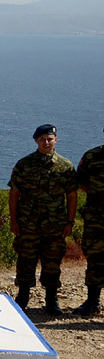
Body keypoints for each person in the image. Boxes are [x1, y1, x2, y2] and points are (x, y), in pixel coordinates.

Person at [9, 124, 78, 314]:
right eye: (42, 139)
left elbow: (72, 196)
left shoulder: (65, 166)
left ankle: (51, 299)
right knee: (25, 260)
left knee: (52, 262)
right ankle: (22, 297)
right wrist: (13, 220)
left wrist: (70, 222)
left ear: (56, 140)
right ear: (36, 141)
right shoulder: (24, 164)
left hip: (55, 225)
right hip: (28, 224)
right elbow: (14, 193)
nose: (46, 142)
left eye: (49, 139)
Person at [75, 128, 104, 317]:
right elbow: (82, 182)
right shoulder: (92, 156)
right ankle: (92, 302)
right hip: (97, 218)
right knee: (95, 258)